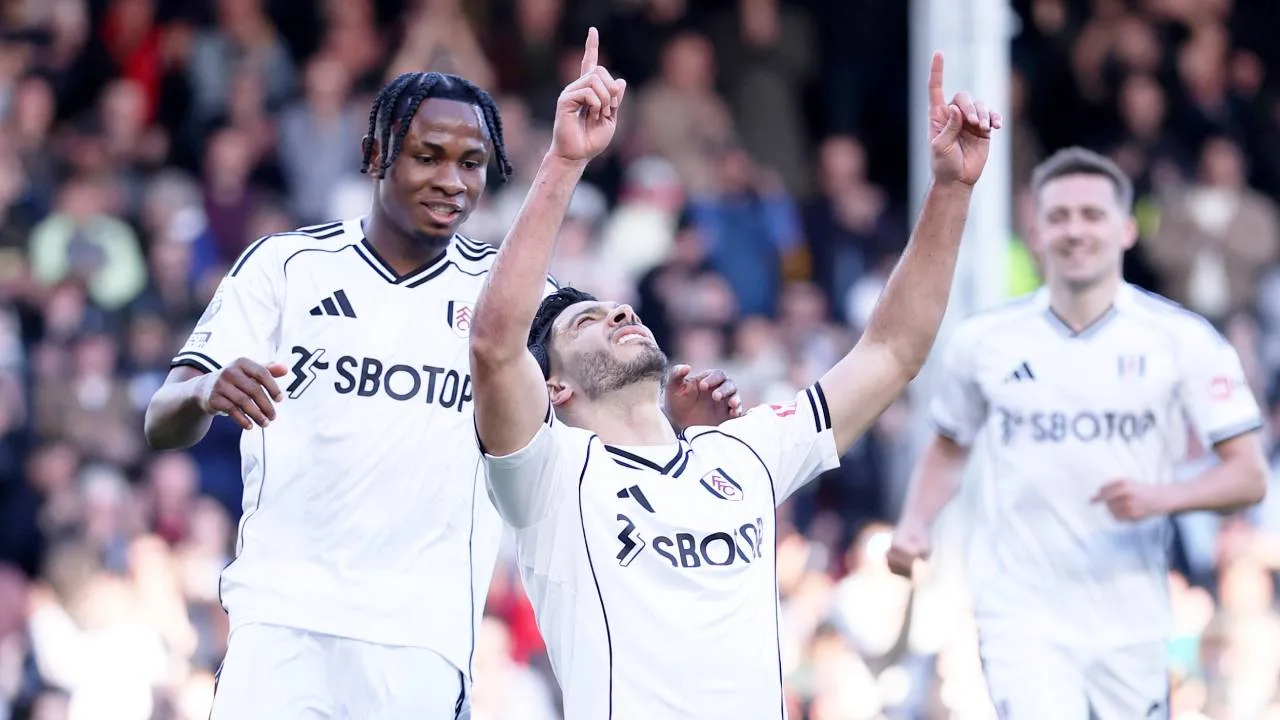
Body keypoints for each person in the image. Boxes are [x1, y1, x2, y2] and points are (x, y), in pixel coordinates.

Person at [143, 68, 740, 719]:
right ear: (376, 155)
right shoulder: (285, 266)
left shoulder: (508, 298)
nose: (452, 182)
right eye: (428, 157)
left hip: (421, 640)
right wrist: (206, 389)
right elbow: (161, 419)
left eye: (472, 163)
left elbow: (594, 394)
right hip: (281, 624)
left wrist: (672, 425)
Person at [468, 29, 1000, 719]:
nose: (618, 312)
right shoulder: (548, 475)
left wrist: (952, 191)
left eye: (615, 306)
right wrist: (566, 163)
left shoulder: (743, 452)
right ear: (555, 389)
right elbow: (494, 346)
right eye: (585, 322)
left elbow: (892, 351)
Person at [886, 147, 1269, 720]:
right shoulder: (985, 341)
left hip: (1131, 619)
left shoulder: (1181, 339)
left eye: (1091, 215)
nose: (1075, 230)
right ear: (1035, 231)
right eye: (1059, 216)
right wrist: (915, 523)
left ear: (1126, 229)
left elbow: (1250, 475)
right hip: (1021, 613)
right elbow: (947, 449)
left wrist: (1163, 498)